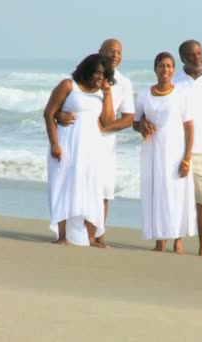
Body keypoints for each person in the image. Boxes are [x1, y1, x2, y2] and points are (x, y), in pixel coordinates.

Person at [140, 40, 202, 256]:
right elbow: (155, 107)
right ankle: (168, 243)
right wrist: (143, 123)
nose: (197, 57)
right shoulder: (175, 80)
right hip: (174, 151)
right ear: (182, 58)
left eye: (199, 52)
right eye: (191, 54)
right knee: (173, 197)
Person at [56, 39, 135, 247]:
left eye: (118, 52)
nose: (114, 55)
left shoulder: (124, 82)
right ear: (100, 52)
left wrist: (106, 128)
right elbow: (69, 104)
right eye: (110, 51)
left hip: (106, 144)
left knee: (103, 189)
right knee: (75, 183)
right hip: (78, 139)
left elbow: (128, 118)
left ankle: (97, 235)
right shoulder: (90, 75)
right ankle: (69, 234)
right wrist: (58, 117)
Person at [44, 53, 115, 247]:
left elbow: (108, 121)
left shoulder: (102, 93)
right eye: (97, 73)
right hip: (66, 143)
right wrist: (55, 144)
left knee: (91, 187)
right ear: (87, 70)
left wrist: (108, 93)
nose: (100, 77)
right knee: (62, 185)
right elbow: (48, 114)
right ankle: (61, 236)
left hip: (91, 147)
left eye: (104, 74)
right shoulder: (68, 86)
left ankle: (91, 238)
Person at [133, 52, 196, 254]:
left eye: (169, 66)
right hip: (152, 151)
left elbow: (189, 128)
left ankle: (177, 240)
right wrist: (142, 124)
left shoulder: (181, 94)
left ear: (174, 70)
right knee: (156, 192)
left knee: (177, 193)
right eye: (161, 66)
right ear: (155, 69)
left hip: (176, 151)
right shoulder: (143, 94)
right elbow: (134, 122)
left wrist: (187, 157)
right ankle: (160, 241)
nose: (165, 70)